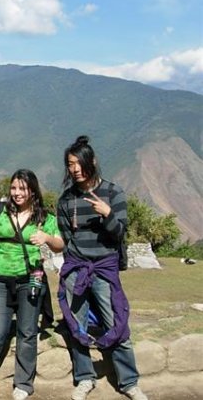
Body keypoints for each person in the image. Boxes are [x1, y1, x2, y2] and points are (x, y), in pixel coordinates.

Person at [56, 135, 148, 400]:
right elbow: (67, 238)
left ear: (92, 161)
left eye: (78, 162)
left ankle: (129, 381)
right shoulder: (66, 200)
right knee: (77, 324)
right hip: (77, 269)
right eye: (70, 164)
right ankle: (85, 378)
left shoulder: (113, 192)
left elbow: (119, 234)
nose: (74, 169)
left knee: (116, 321)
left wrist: (108, 214)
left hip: (105, 269)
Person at [0, 169, 64, 400]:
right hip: (1, 281)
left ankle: (23, 384)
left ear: (32, 190)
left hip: (31, 280)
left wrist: (47, 239)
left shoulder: (44, 218)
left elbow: (60, 244)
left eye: (22, 188)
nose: (17, 193)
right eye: (14, 188)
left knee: (27, 333)